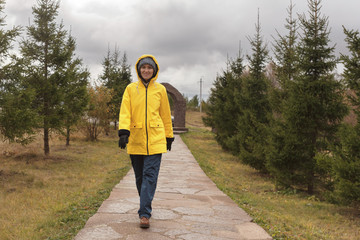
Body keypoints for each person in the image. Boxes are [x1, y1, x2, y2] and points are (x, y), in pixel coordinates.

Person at [118, 54, 174, 228]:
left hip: (156, 140)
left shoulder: (160, 90)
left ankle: (144, 214)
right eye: (143, 67)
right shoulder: (130, 89)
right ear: (139, 69)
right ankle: (146, 203)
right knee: (140, 178)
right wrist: (123, 132)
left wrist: (168, 136)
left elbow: (165, 114)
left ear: (154, 70)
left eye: (150, 67)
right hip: (135, 139)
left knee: (150, 176)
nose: (146, 70)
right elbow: (125, 111)